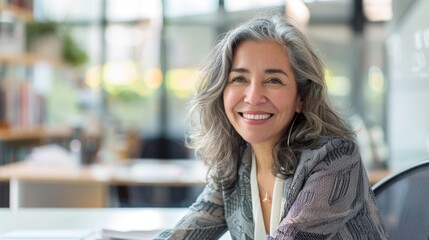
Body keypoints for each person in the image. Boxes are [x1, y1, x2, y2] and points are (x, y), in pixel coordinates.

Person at [155, 14, 387, 240]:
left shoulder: (335, 158)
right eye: (239, 79)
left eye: (273, 80)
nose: (253, 97)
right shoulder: (235, 165)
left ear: (301, 97)